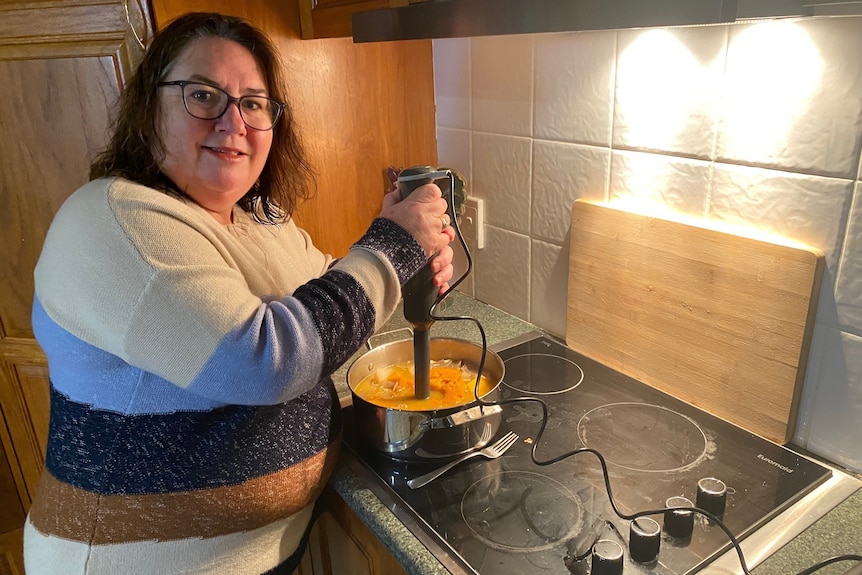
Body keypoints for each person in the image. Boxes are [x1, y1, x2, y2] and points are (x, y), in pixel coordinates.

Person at [24, 11, 455, 575]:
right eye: (203, 95)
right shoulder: (112, 220)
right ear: (148, 108)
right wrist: (394, 247)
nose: (235, 122)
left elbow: (329, 301)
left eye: (254, 103)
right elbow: (267, 359)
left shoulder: (259, 221)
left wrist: (400, 256)